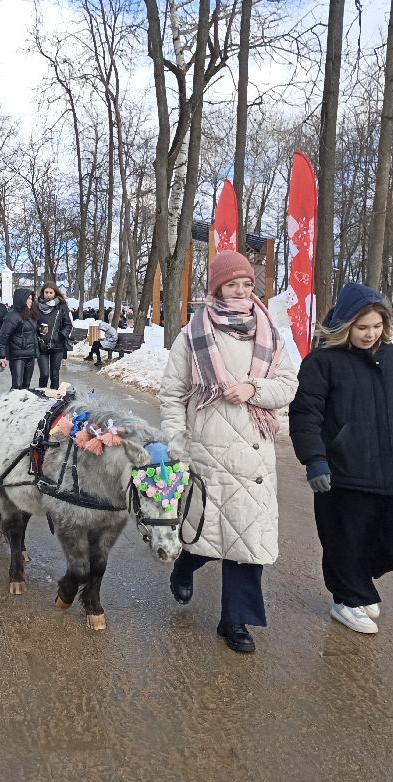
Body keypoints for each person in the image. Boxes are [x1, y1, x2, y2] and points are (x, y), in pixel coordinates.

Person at [158, 251, 298, 654]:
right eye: (232, 284)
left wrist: (254, 389)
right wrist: (178, 442)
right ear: (216, 287)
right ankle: (187, 565)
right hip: (208, 449)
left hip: (254, 451)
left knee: (245, 539)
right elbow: (172, 394)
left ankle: (234, 621)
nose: (241, 291)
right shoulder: (193, 333)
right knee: (205, 532)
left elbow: (289, 384)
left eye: (247, 284)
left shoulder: (269, 332)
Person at [289, 282, 393, 635]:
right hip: (345, 470)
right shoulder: (322, 362)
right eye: (362, 327)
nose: (371, 334)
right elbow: (306, 415)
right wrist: (315, 459)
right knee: (346, 538)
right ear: (345, 326)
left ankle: (358, 582)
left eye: (377, 326)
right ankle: (346, 599)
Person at [0, 288, 39, 390]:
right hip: (17, 356)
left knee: (26, 386)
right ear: (21, 299)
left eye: (31, 299)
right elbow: (2, 337)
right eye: (28, 298)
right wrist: (2, 356)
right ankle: (12, 405)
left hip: (30, 355)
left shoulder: (32, 314)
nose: (30, 301)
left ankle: (23, 405)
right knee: (17, 385)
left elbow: (32, 332)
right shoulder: (12, 315)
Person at [34, 282, 73, 389]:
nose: (49, 295)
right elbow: (32, 323)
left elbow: (68, 325)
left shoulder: (61, 306)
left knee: (54, 375)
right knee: (44, 374)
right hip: (42, 346)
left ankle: (54, 397)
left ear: (55, 293)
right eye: (46, 292)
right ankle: (41, 395)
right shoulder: (36, 306)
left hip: (57, 346)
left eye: (51, 292)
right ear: (42, 293)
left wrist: (60, 336)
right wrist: (38, 329)